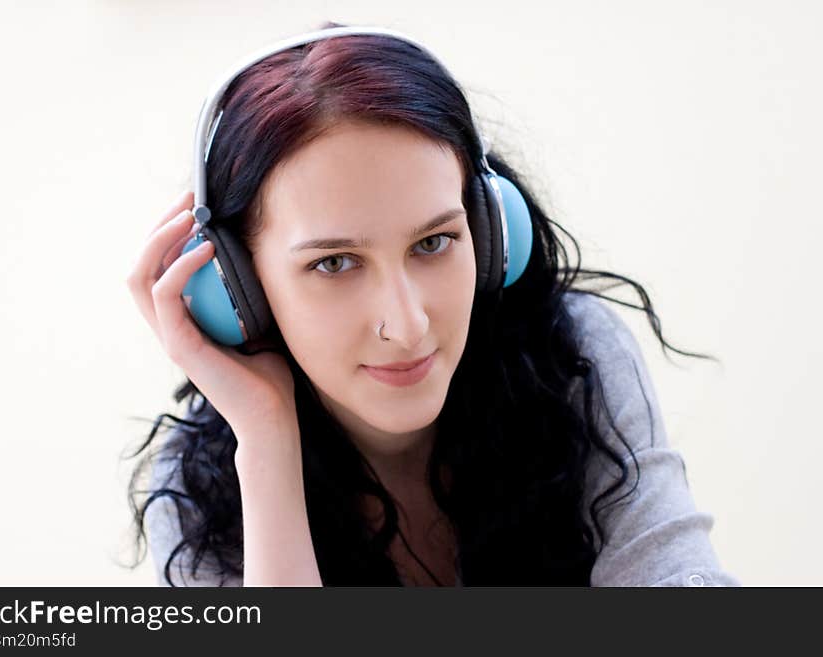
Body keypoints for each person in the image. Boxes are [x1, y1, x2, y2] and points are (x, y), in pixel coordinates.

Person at [124, 22, 740, 587]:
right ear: (239, 290)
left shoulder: (576, 356)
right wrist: (265, 442)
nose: (409, 323)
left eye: (434, 242)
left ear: (490, 232)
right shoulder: (198, 491)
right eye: (333, 263)